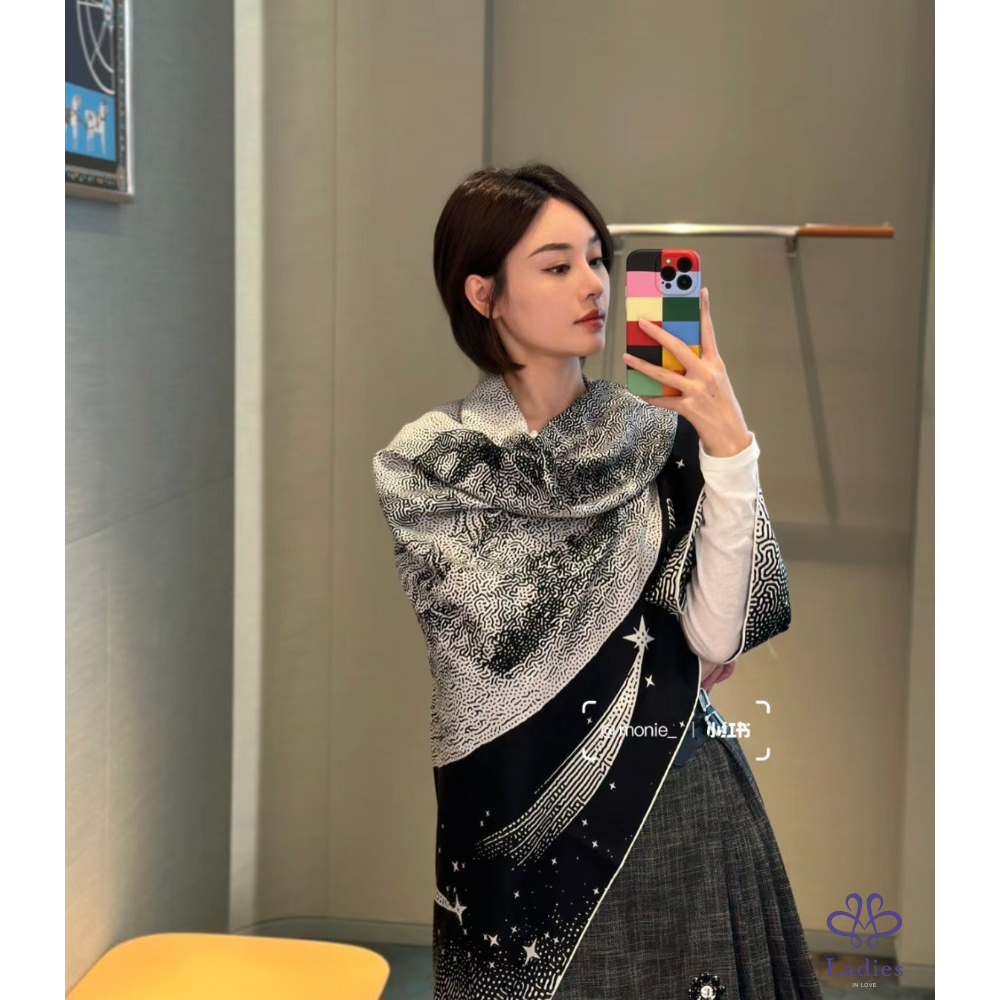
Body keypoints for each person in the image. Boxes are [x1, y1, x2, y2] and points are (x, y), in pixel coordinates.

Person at [373, 163, 824, 1000]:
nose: (593, 285)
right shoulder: (432, 464)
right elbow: (493, 636)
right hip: (511, 814)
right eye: (557, 266)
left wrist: (730, 451)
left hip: (670, 799)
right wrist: (645, 627)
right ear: (483, 294)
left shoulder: (659, 437)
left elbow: (716, 637)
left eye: (596, 259)